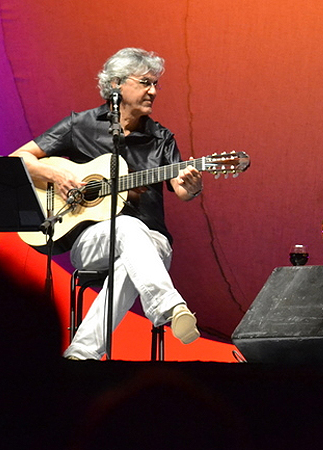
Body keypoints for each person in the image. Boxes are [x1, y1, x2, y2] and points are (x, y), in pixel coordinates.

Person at [10, 47, 203, 360]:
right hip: (90, 240)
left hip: (153, 242)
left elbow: (180, 189)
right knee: (125, 226)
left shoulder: (162, 138)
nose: (153, 91)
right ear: (116, 85)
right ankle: (169, 305)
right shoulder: (80, 125)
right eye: (145, 83)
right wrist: (55, 171)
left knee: (130, 251)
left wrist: (191, 186)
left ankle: (81, 355)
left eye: (156, 84)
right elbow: (19, 158)